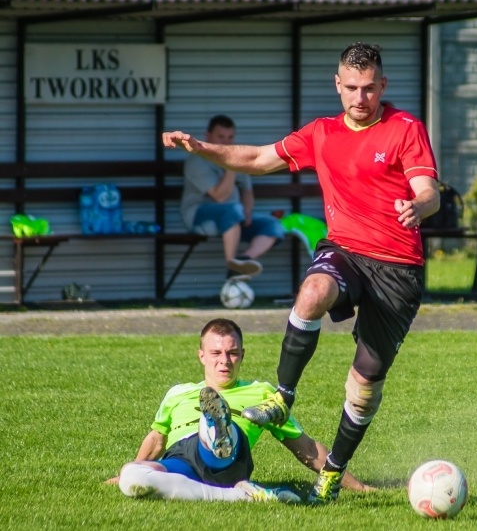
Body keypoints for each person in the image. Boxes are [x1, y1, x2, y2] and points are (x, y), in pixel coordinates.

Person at [162, 42, 440, 504]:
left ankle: (332, 471)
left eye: (370, 88)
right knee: (312, 292)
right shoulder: (322, 133)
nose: (360, 97)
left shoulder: (405, 128)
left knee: (364, 385)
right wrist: (201, 147)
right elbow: (257, 159)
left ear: (383, 86)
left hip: (397, 268)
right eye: (352, 87)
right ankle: (283, 396)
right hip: (346, 250)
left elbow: (429, 190)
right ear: (338, 85)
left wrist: (420, 205)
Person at [106, 318, 371, 502]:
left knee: (213, 427)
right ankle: (239, 495)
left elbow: (306, 448)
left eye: (232, 353)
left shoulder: (262, 393)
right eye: (216, 353)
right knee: (133, 478)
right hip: (182, 460)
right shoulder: (177, 393)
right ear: (201, 356)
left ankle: (215, 426)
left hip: (229, 458)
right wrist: (124, 472)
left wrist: (355, 485)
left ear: (242, 355)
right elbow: (156, 439)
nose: (225, 361)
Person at [181, 114, 285, 280]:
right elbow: (220, 196)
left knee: (273, 225)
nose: (226, 143)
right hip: (199, 217)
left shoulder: (236, 158)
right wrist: (230, 166)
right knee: (233, 210)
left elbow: (247, 191)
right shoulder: (197, 160)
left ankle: (242, 262)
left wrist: (248, 211)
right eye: (221, 137)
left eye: (230, 138)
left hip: (234, 217)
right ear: (207, 136)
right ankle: (231, 263)